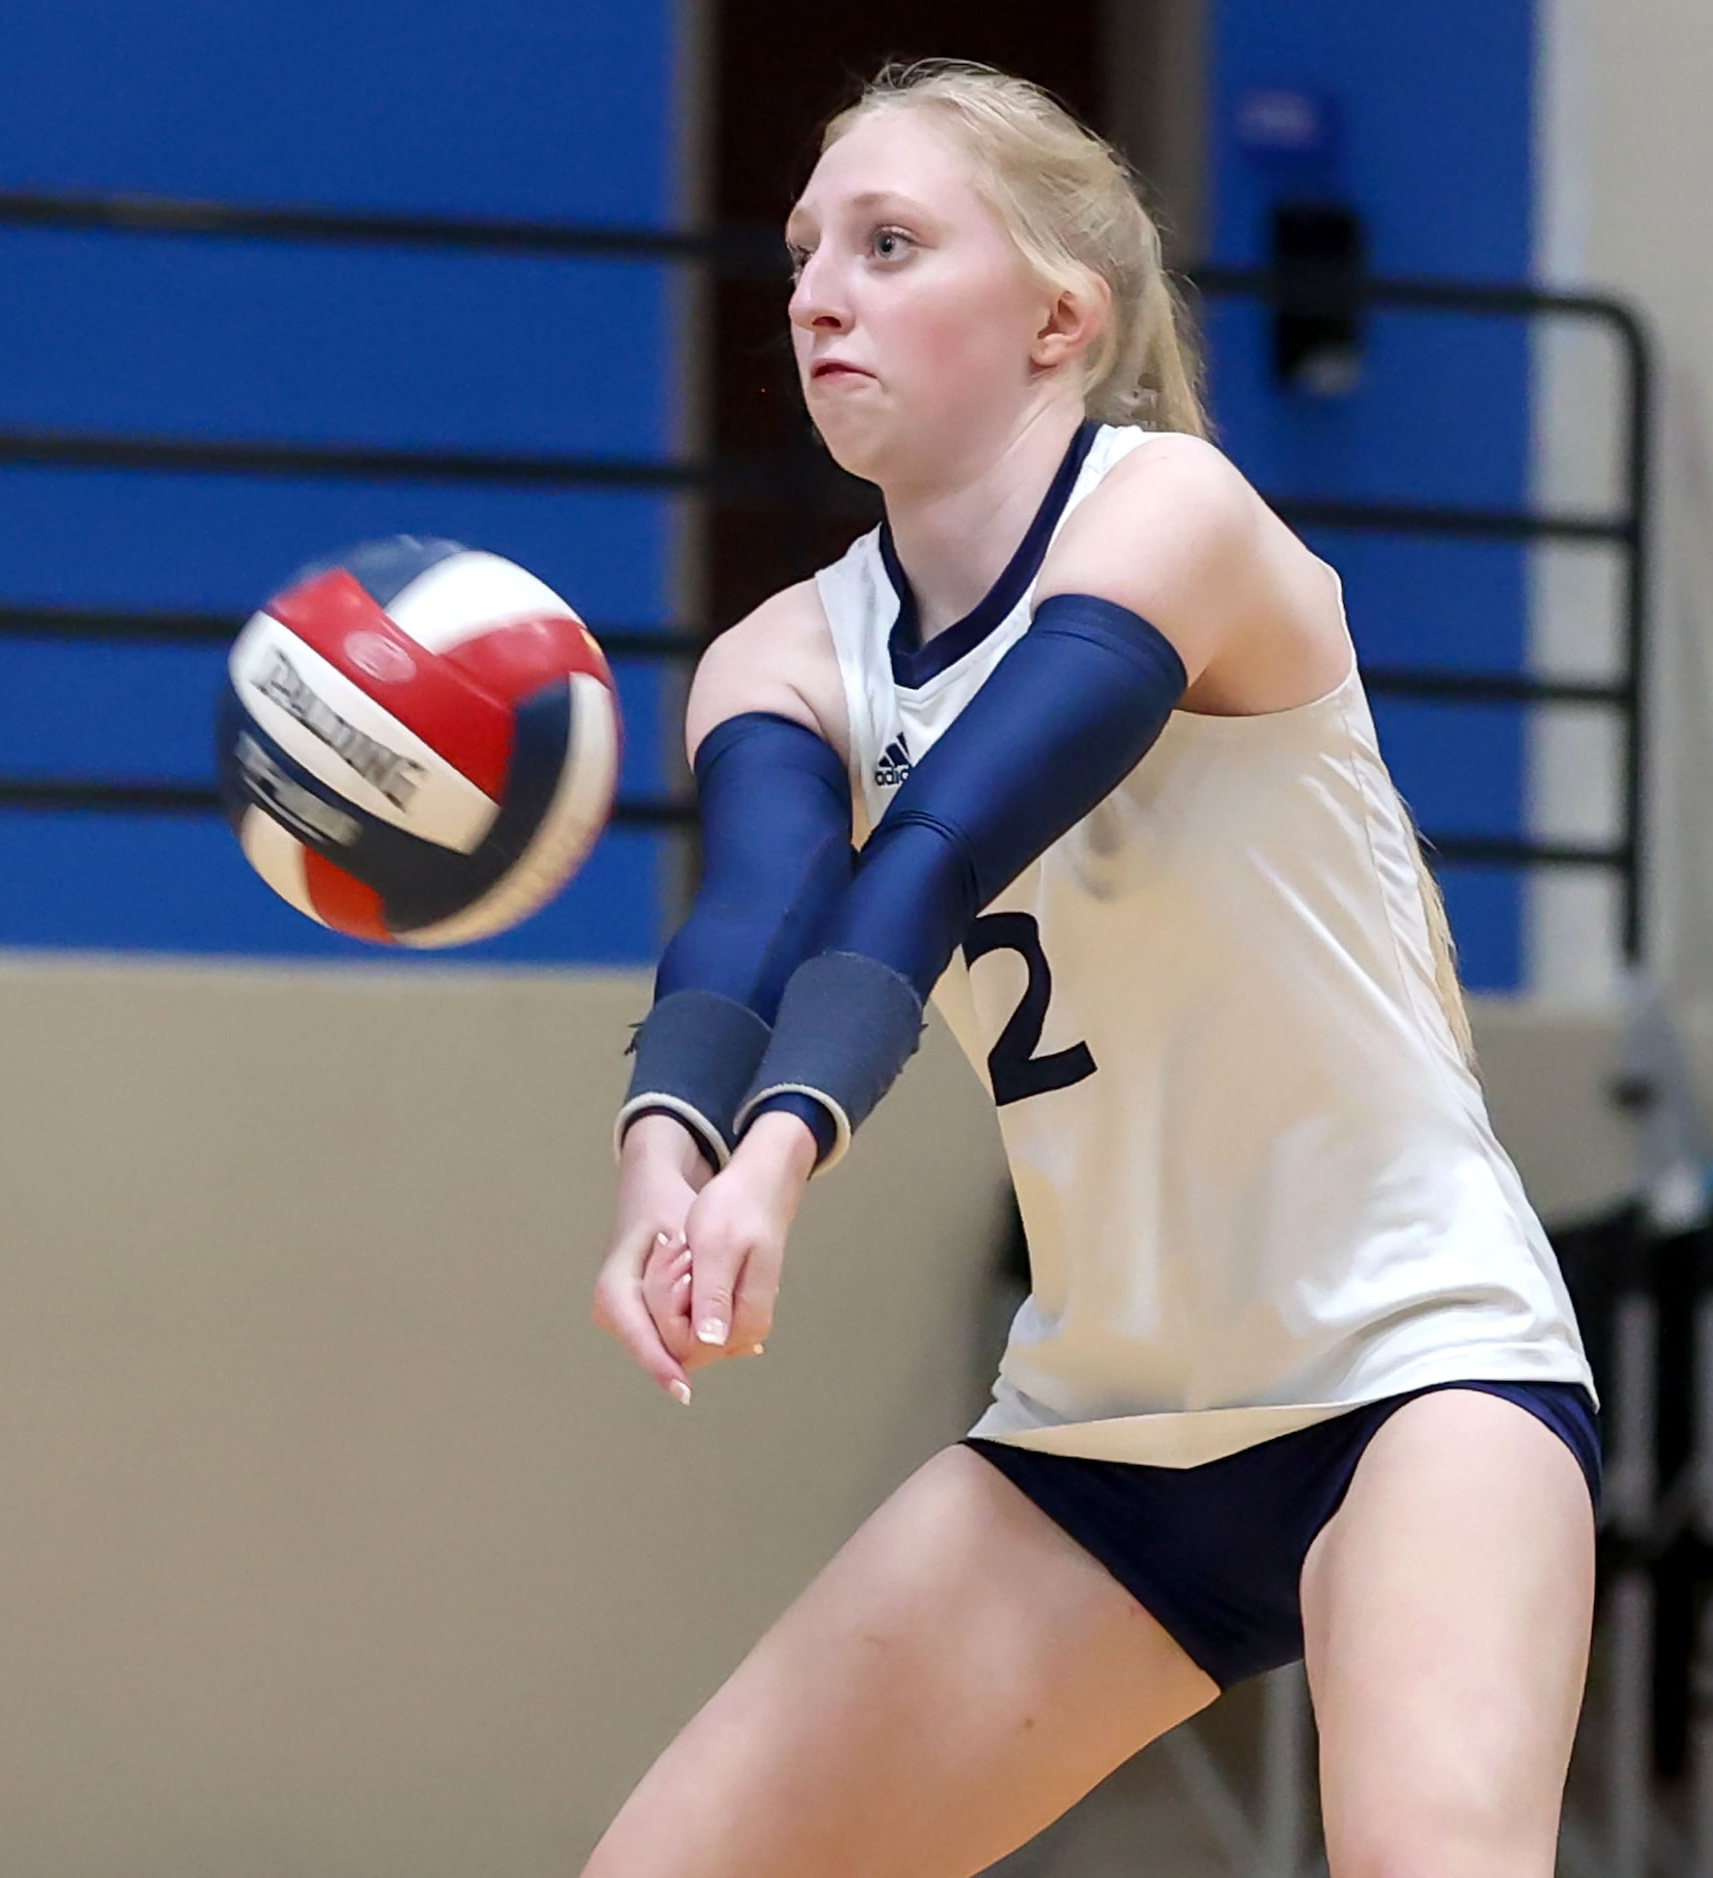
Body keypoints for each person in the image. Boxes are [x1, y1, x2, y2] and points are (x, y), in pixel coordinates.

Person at [586, 59, 1599, 1878]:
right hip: (1101, 1433)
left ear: (1061, 317)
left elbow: (945, 839)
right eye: (807, 248)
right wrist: (663, 1149)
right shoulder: (775, 656)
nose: (818, 289)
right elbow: (741, 929)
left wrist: (783, 1150)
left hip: (1414, 1371)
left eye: (890, 244)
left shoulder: (1179, 520)